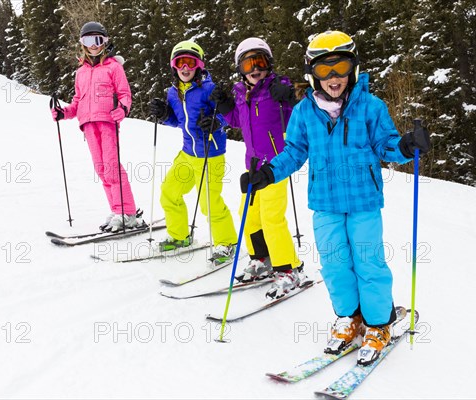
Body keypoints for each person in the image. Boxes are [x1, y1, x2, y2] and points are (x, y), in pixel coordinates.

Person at [243, 31, 430, 365]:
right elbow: (295, 151)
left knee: (368, 262)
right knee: (333, 263)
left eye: (340, 66)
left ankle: (377, 323)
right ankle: (348, 316)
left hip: (363, 202)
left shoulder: (370, 107)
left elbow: (385, 144)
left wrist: (404, 146)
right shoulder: (304, 112)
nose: (333, 77)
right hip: (325, 203)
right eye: (324, 69)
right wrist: (268, 173)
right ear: (311, 73)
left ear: (353, 68)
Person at [209, 37, 309, 300]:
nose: (255, 68)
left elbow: (304, 110)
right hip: (252, 166)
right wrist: (226, 107)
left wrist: (290, 98)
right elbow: (240, 122)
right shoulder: (241, 93)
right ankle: (261, 259)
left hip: (276, 165)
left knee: (272, 217)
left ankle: (288, 268)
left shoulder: (280, 88)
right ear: (240, 69)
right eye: (248, 63)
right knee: (248, 215)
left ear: (269, 63)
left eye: (260, 61)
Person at [148, 40, 237, 263]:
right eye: (180, 62)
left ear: (199, 65)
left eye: (190, 62)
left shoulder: (209, 89)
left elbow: (230, 115)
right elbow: (178, 122)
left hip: (211, 154)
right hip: (188, 154)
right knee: (169, 191)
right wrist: (164, 114)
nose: (185, 67)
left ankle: (226, 243)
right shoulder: (172, 93)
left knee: (209, 203)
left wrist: (216, 122)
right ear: (174, 66)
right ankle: (180, 237)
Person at [50, 21, 142, 232]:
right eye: (88, 40)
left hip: (108, 122)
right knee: (101, 170)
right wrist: (64, 113)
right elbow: (77, 101)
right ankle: (116, 209)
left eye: (98, 40)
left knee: (112, 168)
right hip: (88, 126)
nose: (93, 45)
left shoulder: (114, 67)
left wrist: (123, 109)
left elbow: (125, 94)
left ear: (105, 42)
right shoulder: (80, 72)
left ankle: (127, 212)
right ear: (82, 44)